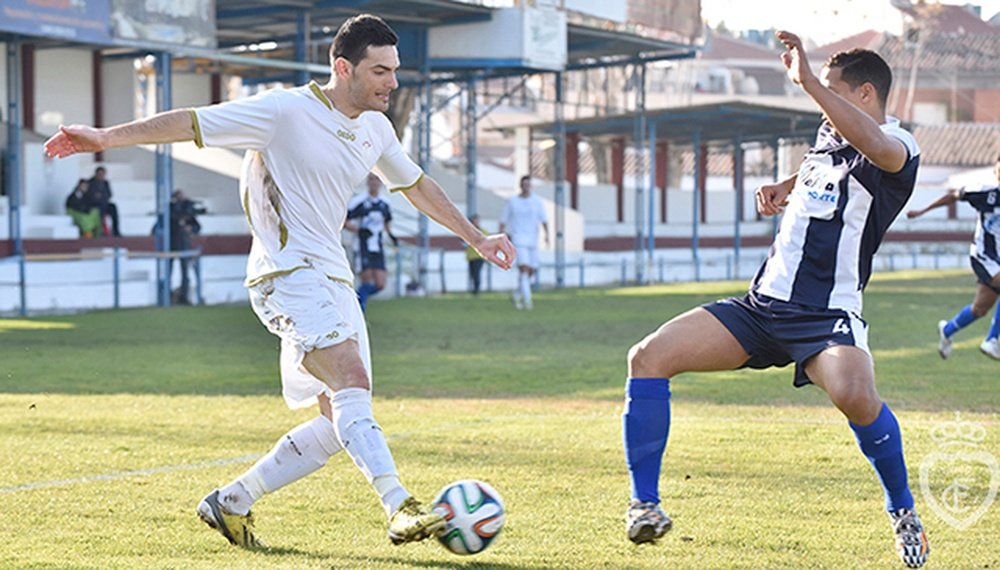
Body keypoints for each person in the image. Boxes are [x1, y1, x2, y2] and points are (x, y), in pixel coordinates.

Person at [44, 13, 515, 550]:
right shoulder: (284, 110)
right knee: (351, 381)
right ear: (343, 67)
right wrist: (104, 138)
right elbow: (190, 121)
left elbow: (416, 184)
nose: (393, 82)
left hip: (334, 277)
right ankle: (399, 507)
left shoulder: (376, 128)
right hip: (283, 273)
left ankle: (231, 501)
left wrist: (476, 237)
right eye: (381, 70)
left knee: (339, 422)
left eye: (395, 70)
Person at [620, 32, 929, 568]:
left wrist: (809, 80)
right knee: (647, 357)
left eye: (831, 94)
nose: (819, 105)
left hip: (827, 316)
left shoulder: (899, 145)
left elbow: (877, 150)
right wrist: (785, 186)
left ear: (863, 96)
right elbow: (828, 165)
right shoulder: (828, 139)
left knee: (855, 393)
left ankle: (904, 513)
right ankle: (645, 505)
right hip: (761, 309)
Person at [906, 156, 1000, 360]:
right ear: (996, 171)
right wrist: (922, 211)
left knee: (980, 309)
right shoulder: (985, 192)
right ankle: (993, 340)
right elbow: (953, 196)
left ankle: (947, 330)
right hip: (985, 255)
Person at [346, 173, 397, 311]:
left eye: (377, 179)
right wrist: (359, 229)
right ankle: (359, 310)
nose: (374, 182)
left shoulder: (385, 203)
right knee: (366, 280)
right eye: (371, 179)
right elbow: (344, 221)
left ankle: (354, 300)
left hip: (378, 246)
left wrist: (391, 236)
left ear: (381, 182)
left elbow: (387, 222)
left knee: (380, 284)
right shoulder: (359, 201)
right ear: (367, 182)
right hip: (363, 246)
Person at [500, 175, 548, 310]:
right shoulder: (512, 201)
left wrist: (547, 236)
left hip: (533, 239)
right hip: (518, 239)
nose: (526, 187)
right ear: (521, 186)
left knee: (531, 270)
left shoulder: (536, 201)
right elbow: (503, 220)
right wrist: (501, 238)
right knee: (524, 269)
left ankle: (516, 295)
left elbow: (544, 219)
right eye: (524, 184)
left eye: (528, 184)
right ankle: (528, 301)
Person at [168, 189, 204, 305]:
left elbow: (197, 227)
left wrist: (190, 229)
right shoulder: (170, 211)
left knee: (185, 273)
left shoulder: (187, 213)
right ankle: (168, 295)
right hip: (171, 246)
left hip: (184, 246)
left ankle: (183, 296)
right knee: (169, 272)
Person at [86, 166, 121, 236]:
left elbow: (109, 194)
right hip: (94, 204)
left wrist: (101, 196)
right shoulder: (90, 182)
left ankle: (116, 230)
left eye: (102, 174)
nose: (101, 176)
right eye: (99, 174)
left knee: (113, 207)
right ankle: (100, 230)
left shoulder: (106, 183)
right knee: (99, 209)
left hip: (104, 203)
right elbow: (89, 196)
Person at [465, 214, 488, 295]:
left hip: (479, 256)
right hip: (471, 256)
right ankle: (473, 289)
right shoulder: (468, 231)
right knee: (472, 274)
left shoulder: (483, 231)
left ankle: (476, 290)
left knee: (477, 273)